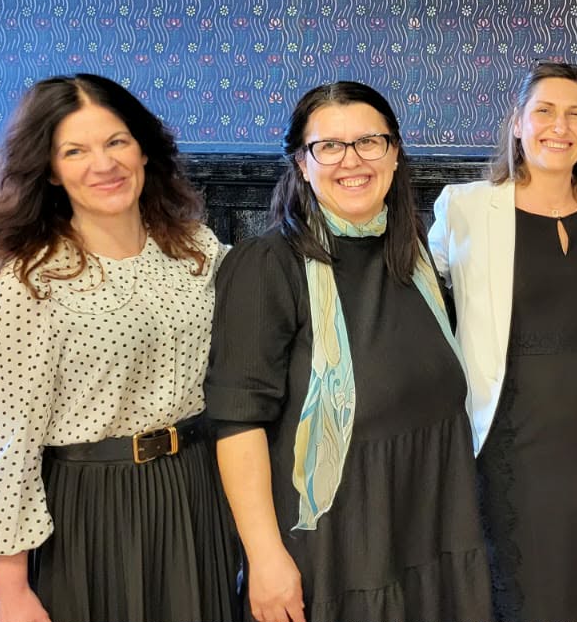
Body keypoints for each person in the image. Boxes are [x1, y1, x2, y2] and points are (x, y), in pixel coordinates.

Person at [204, 82, 489, 621]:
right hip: (337, 547)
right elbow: (238, 424)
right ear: (301, 162)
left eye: (369, 142)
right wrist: (264, 558)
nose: (351, 160)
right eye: (328, 146)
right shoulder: (267, 265)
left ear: (395, 153)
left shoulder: (413, 255)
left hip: (430, 527)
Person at [0, 74, 239, 622]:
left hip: (195, 488)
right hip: (92, 505)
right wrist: (8, 588)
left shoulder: (195, 250)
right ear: (50, 169)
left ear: (143, 149)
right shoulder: (29, 285)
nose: (104, 164)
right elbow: (10, 444)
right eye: (75, 151)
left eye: (116, 142)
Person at [428, 61, 577, 621]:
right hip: (509, 431)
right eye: (544, 111)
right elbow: (424, 297)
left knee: (572, 581)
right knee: (520, 590)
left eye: (576, 114)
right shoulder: (465, 206)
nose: (559, 126)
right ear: (518, 123)